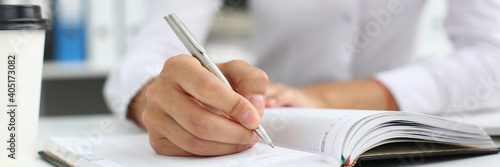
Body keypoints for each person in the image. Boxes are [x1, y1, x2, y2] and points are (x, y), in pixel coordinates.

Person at [104, 0, 500, 156]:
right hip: (276, 133)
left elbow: (492, 54)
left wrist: (323, 99)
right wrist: (155, 99)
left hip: (400, 136)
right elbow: (144, 56)